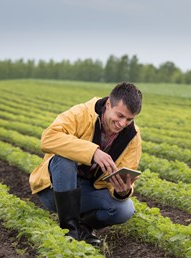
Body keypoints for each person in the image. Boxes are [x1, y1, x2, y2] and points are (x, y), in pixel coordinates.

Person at [29, 82, 143, 246]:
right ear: (109, 104)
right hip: (54, 191)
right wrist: (93, 152)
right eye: (119, 116)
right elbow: (48, 138)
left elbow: (126, 172)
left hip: (87, 193)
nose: (123, 123)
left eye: (129, 119)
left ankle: (83, 228)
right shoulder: (82, 113)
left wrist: (122, 191)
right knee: (64, 158)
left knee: (124, 210)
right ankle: (70, 230)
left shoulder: (132, 136)